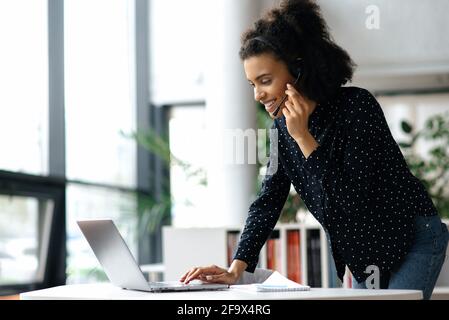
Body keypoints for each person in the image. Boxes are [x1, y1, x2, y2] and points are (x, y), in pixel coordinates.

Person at [180, 0, 449, 299]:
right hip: (363, 259)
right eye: (252, 84)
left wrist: (304, 137)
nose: (258, 95)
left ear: (298, 69)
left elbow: (353, 200)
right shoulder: (281, 132)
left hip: (412, 239)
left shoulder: (357, 108)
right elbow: (267, 201)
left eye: (265, 80)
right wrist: (235, 268)